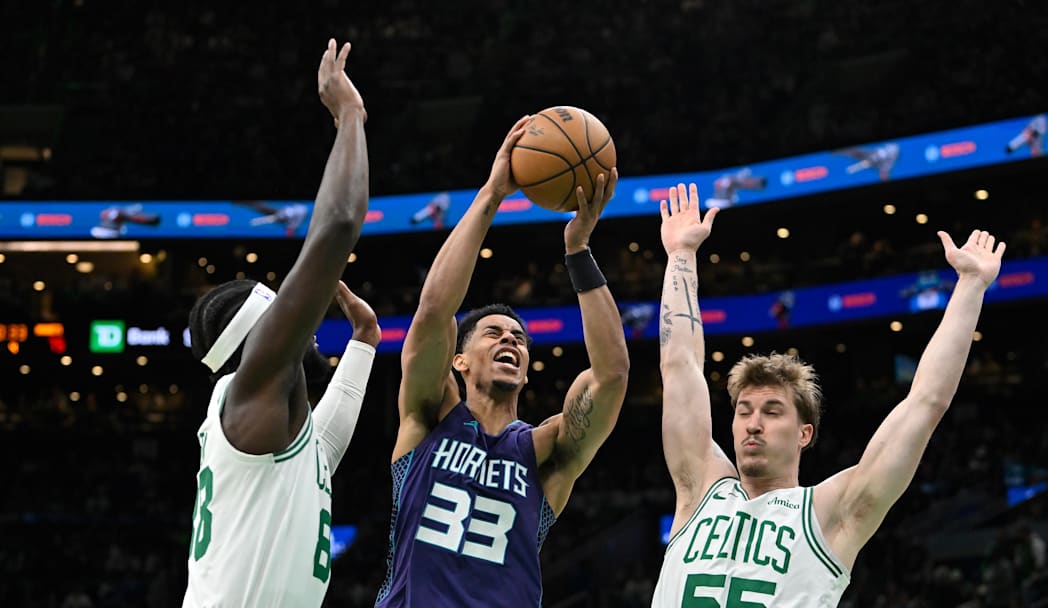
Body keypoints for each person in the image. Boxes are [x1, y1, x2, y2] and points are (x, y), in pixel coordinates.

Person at [651, 183, 1006, 606]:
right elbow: (679, 368)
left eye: (772, 410)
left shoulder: (829, 513)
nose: (753, 422)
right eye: (744, 410)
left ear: (804, 433)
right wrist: (680, 256)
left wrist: (970, 286)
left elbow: (924, 404)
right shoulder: (699, 489)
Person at [375, 117, 630, 607]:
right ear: (460, 361)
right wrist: (493, 194)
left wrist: (577, 250)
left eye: (518, 337)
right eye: (493, 333)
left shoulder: (545, 450)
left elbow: (612, 375)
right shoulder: (428, 418)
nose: (509, 340)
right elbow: (434, 311)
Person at [182, 38, 378, 607]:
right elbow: (339, 223)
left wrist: (364, 344)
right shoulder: (251, 394)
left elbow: (326, 448)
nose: (306, 323)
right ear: (262, 336)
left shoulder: (271, 425)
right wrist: (350, 116)